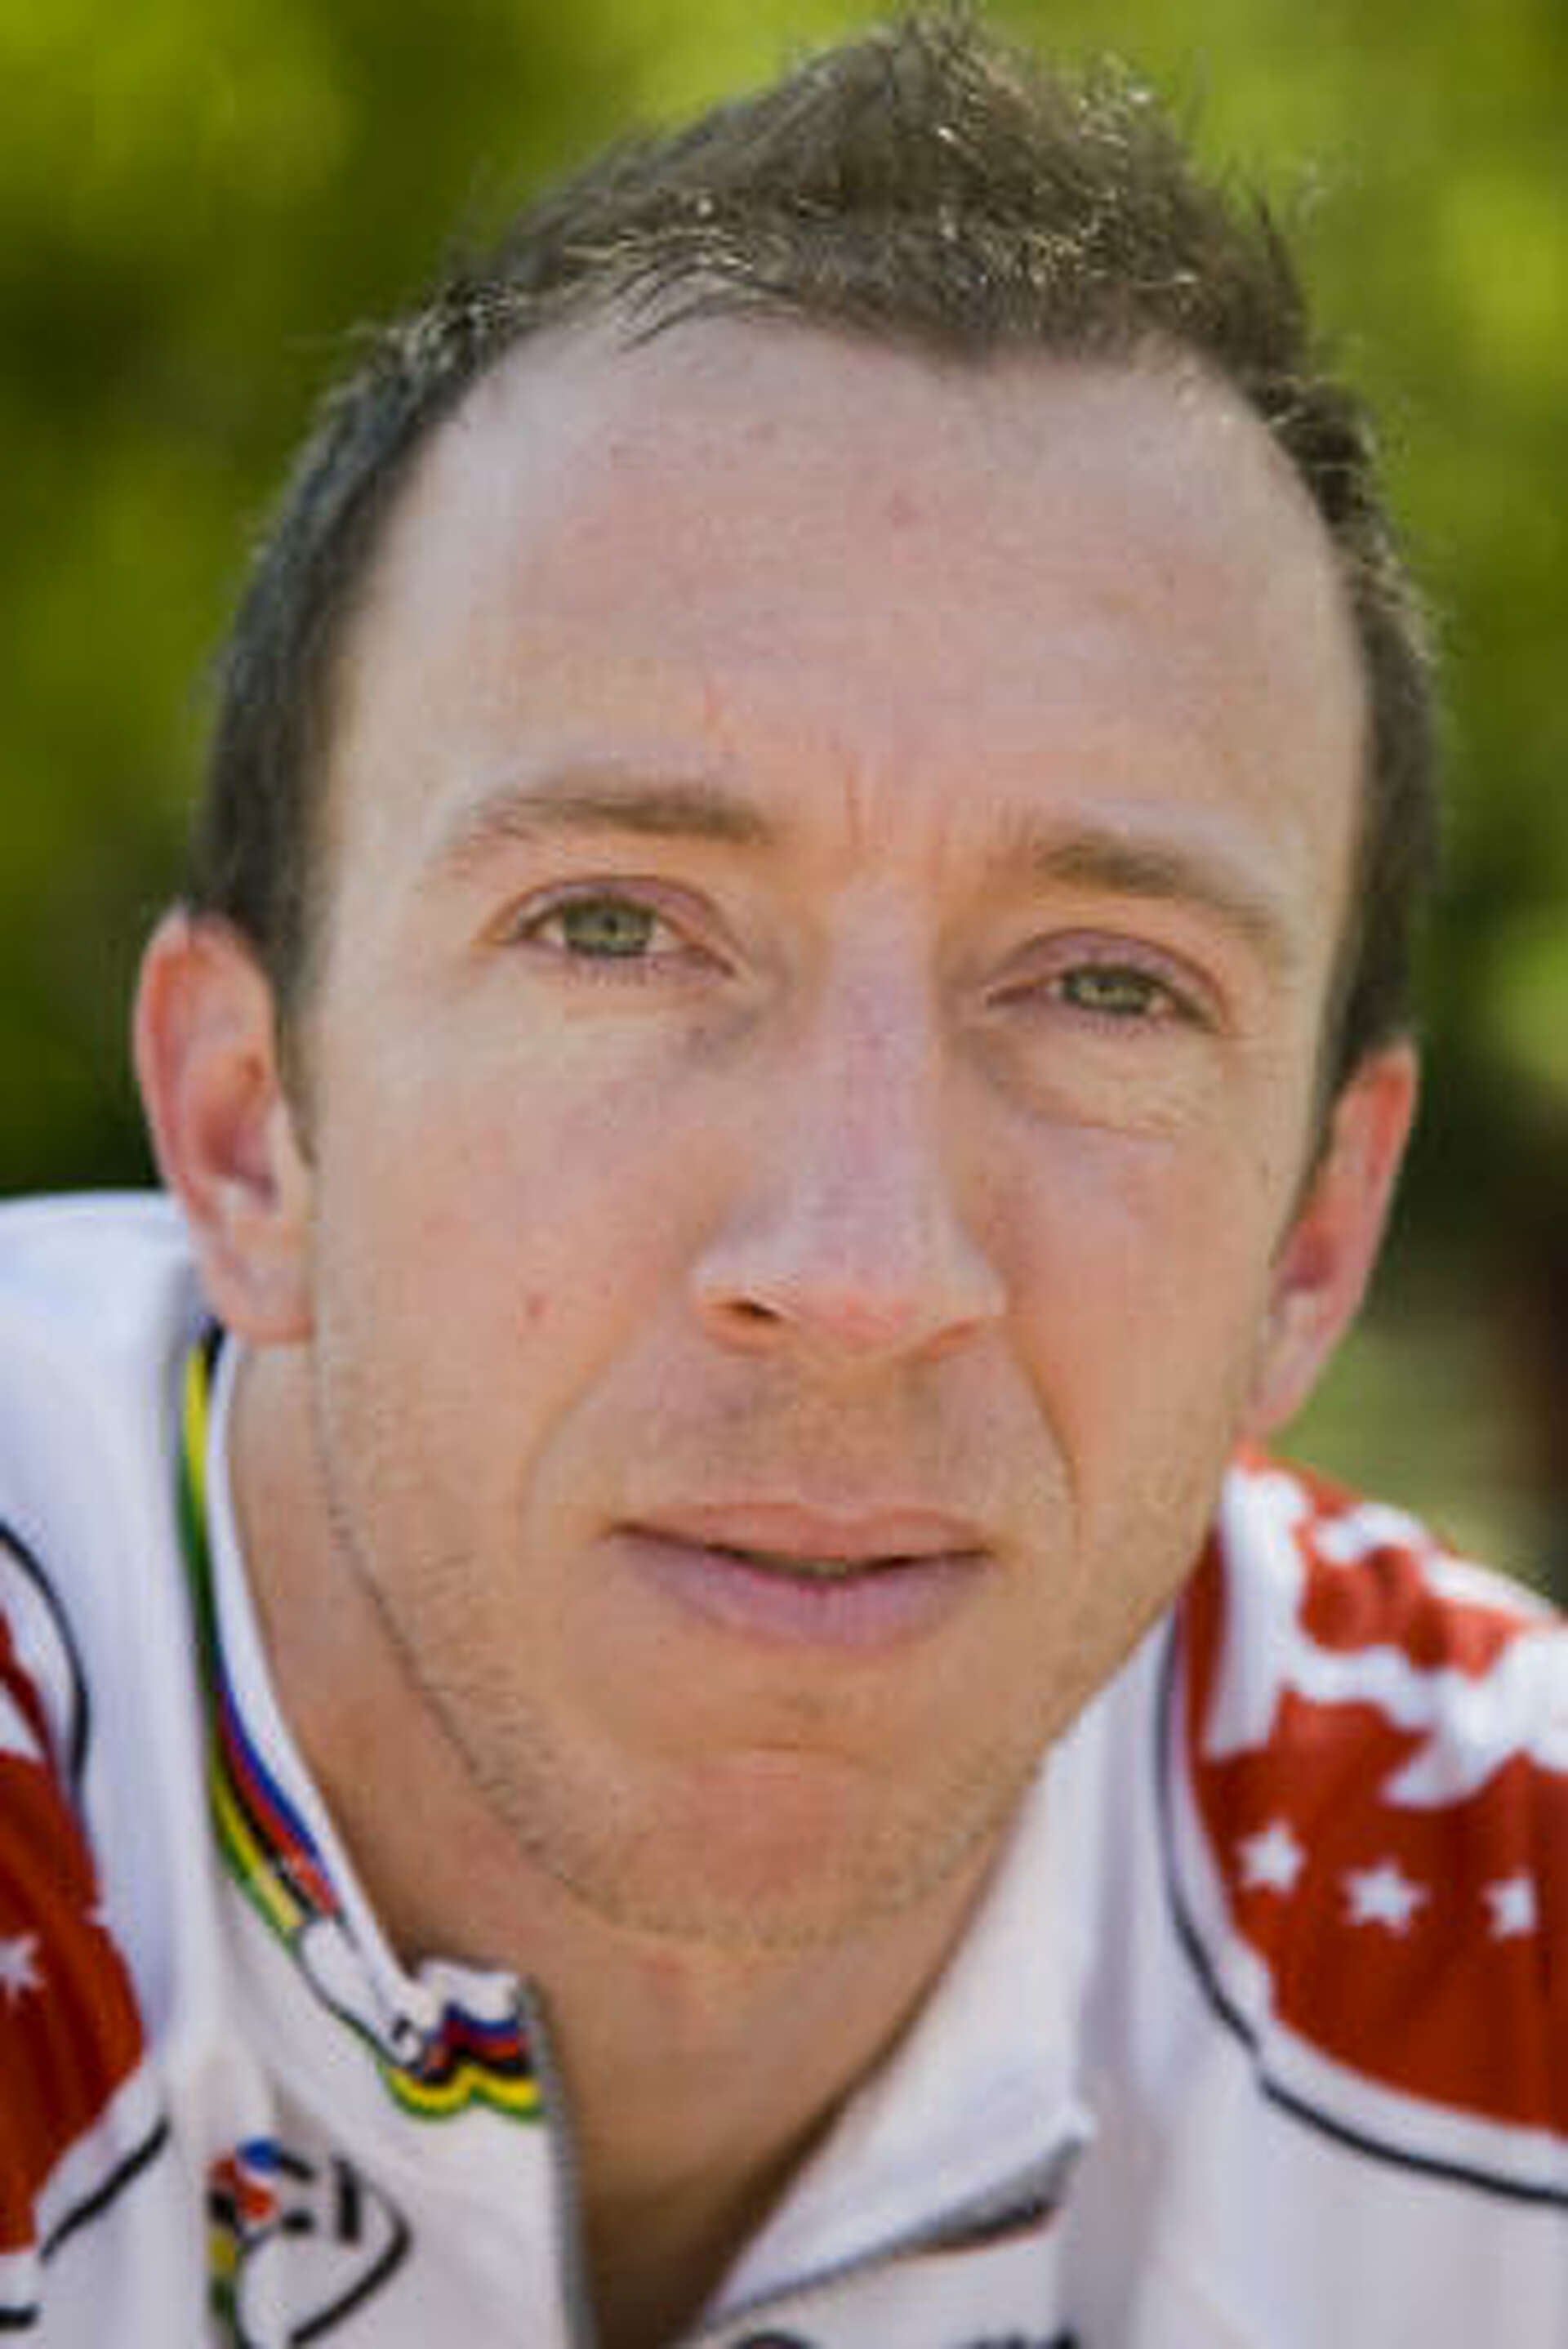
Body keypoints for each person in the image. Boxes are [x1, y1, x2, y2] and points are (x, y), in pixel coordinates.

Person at [2, 12, 1564, 2344]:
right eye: (616, 929)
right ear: (250, 1127)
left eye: (1107, 984)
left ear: (1313, 1242)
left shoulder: (1497, 1937)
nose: (860, 1271)